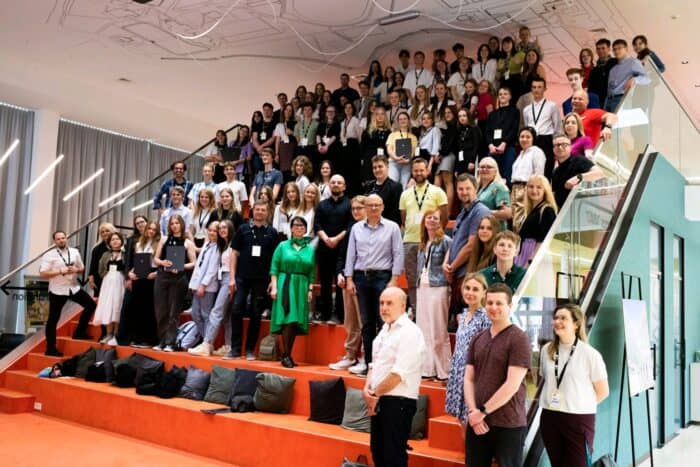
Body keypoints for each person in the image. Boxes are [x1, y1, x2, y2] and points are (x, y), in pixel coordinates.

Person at [463, 283, 532, 467]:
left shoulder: (519, 338)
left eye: (499, 303)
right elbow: (469, 378)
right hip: (477, 422)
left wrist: (482, 412)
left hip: (508, 424)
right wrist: (473, 412)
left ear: (510, 306)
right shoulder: (478, 338)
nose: (493, 307)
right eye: (490, 303)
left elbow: (512, 384)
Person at [540, 304, 609, 467]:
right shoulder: (546, 350)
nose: (557, 321)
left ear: (576, 324)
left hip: (578, 419)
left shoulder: (590, 354)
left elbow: (603, 391)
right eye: (556, 318)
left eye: (563, 318)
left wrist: (579, 405)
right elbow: (546, 380)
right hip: (550, 417)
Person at [363, 287, 425, 467]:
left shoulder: (410, 332)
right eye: (382, 303)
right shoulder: (385, 330)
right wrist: (368, 389)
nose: (384, 307)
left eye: (389, 303)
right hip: (380, 398)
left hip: (399, 402)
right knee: (378, 452)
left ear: (403, 305)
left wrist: (374, 394)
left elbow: (398, 374)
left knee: (393, 457)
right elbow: (374, 364)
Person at [344, 194, 404, 375]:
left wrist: (394, 280)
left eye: (377, 205)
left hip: (382, 278)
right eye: (370, 205)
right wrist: (349, 278)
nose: (373, 208)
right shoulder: (356, 228)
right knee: (366, 323)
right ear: (365, 208)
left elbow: (398, 254)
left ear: (383, 207)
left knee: (384, 321)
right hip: (361, 278)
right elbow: (351, 254)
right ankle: (369, 364)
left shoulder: (392, 227)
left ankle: (384, 365)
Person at [227, 201, 278, 359]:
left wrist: (272, 280)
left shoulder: (272, 232)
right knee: (236, 310)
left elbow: (275, 259)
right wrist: (231, 277)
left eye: (263, 210)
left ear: (267, 212)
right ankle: (235, 349)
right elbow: (234, 253)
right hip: (242, 277)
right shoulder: (242, 229)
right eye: (257, 209)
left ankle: (249, 349)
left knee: (256, 313)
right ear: (252, 211)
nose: (260, 212)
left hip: (262, 279)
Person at [399, 159, 448, 312]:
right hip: (410, 241)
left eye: (422, 170)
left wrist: (435, 235)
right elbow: (404, 218)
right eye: (416, 170)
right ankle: (415, 309)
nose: (419, 173)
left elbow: (444, 217)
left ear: (427, 171)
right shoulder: (405, 194)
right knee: (412, 279)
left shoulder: (438, 192)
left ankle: (431, 310)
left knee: (431, 278)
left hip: (430, 241)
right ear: (412, 172)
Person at [444, 274, 491, 432]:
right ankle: (467, 455)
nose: (470, 292)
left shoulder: (485, 316)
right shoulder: (463, 316)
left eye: (475, 289)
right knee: (460, 419)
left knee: (471, 419)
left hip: (473, 375)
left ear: (484, 292)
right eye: (467, 288)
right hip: (458, 372)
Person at [39, 230, 96, 356]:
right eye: (58, 239)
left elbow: (81, 268)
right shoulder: (49, 255)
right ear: (54, 241)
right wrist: (60, 270)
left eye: (63, 238)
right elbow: (43, 273)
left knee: (91, 305)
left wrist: (76, 269)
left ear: (67, 238)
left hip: (73, 287)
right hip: (57, 290)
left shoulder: (74, 252)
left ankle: (79, 332)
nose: (61, 240)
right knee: (53, 319)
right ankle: (50, 348)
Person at [269, 216, 316, 368]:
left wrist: (310, 289)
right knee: (288, 318)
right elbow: (274, 268)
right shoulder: (282, 246)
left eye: (302, 226)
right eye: (296, 225)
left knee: (295, 321)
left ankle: (287, 354)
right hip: (286, 283)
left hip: (301, 285)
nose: (299, 228)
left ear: (306, 229)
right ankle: (286, 355)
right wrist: (274, 286)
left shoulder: (310, 249)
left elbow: (311, 272)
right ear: (291, 228)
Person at [329, 195, 367, 371]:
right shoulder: (351, 228)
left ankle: (366, 357)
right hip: (348, 278)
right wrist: (339, 272)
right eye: (354, 209)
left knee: (364, 320)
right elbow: (342, 255)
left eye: (359, 208)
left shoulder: (371, 228)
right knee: (350, 320)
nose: (356, 211)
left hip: (364, 279)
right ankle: (350, 355)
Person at [444, 174, 490, 314]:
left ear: (475, 189)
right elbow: (454, 242)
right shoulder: (462, 212)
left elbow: (471, 246)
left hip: (468, 273)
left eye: (468, 188)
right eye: (460, 189)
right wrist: (446, 264)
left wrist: (452, 267)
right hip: (456, 272)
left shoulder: (480, 211)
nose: (464, 192)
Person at [188, 220, 235, 357]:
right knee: (226, 316)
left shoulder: (232, 245)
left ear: (230, 229)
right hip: (221, 279)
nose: (221, 230)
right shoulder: (221, 245)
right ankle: (227, 346)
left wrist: (232, 281)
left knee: (216, 312)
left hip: (228, 279)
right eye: (219, 228)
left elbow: (231, 266)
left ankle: (206, 344)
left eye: (224, 228)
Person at [416, 209, 452, 381]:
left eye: (435, 218)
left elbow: (449, 265)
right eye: (428, 217)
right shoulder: (423, 242)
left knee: (438, 331)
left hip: (438, 287)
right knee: (424, 330)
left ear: (440, 221)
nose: (431, 220)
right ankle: (428, 369)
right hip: (422, 287)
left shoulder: (446, 241)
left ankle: (444, 371)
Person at [152, 215, 197, 352]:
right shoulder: (164, 240)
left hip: (178, 278)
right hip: (162, 276)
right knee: (161, 311)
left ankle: (170, 342)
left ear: (182, 225)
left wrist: (182, 266)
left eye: (177, 223)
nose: (174, 225)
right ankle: (162, 341)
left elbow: (194, 263)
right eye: (172, 223)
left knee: (173, 312)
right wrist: (162, 262)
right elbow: (156, 258)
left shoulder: (187, 242)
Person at [314, 175, 352, 324]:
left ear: (344, 186)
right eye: (333, 182)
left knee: (340, 283)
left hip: (342, 248)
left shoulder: (349, 204)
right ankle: (325, 314)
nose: (336, 184)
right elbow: (317, 225)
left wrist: (336, 239)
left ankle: (339, 315)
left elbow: (349, 226)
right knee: (324, 283)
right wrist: (326, 239)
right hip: (325, 247)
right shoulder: (322, 205)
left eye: (339, 182)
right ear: (329, 185)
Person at [126, 220, 160, 348]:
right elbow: (135, 262)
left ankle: (149, 339)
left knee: (149, 309)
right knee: (137, 308)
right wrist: (130, 273)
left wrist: (156, 273)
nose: (151, 231)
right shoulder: (139, 243)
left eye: (153, 229)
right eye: (149, 229)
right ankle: (138, 338)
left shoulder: (159, 244)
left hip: (151, 276)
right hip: (138, 276)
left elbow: (162, 262)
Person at [521, 77, 562, 179]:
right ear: (531, 89)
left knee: (547, 171)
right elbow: (527, 128)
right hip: (532, 141)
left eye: (539, 87)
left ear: (544, 89)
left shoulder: (552, 106)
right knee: (531, 169)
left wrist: (556, 145)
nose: (536, 90)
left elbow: (557, 127)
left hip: (546, 140)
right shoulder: (527, 109)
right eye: (534, 87)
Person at [551, 134, 605, 208]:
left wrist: (579, 177)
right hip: (564, 211)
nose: (560, 147)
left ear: (570, 147)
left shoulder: (578, 160)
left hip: (582, 207)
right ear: (553, 149)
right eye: (557, 145)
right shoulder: (555, 172)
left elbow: (600, 173)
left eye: (564, 144)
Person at [187, 222, 221, 340]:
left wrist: (203, 285)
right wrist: (193, 284)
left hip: (208, 287)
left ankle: (207, 342)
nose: (211, 233)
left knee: (206, 314)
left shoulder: (218, 247)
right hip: (197, 285)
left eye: (214, 231)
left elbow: (212, 270)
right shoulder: (207, 244)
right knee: (195, 314)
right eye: (210, 230)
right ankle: (205, 339)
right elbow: (198, 267)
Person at [515, 175, 557, 267]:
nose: (534, 190)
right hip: (524, 252)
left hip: (533, 254)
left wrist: (531, 261)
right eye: (531, 186)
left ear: (545, 190)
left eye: (539, 187)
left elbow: (543, 240)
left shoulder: (547, 210)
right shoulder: (532, 210)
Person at [93, 232, 127, 346]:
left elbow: (128, 267)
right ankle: (108, 334)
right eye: (113, 240)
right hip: (108, 282)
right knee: (108, 307)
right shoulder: (105, 255)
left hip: (120, 281)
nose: (115, 241)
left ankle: (116, 335)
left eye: (117, 239)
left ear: (121, 241)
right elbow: (100, 269)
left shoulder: (125, 254)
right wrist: (106, 275)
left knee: (117, 306)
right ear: (109, 243)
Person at [511, 127, 546, 232]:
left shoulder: (537, 151)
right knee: (514, 220)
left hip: (526, 187)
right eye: (522, 137)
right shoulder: (521, 153)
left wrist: (532, 189)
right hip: (515, 188)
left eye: (528, 137)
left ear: (533, 139)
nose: (524, 139)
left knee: (522, 220)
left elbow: (538, 174)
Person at [485, 86, 520, 183]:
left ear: (510, 96)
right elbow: (487, 131)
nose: (502, 96)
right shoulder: (492, 114)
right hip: (493, 149)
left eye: (505, 94)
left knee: (506, 177)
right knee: (491, 178)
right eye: (500, 94)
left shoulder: (515, 112)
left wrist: (504, 143)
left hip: (508, 148)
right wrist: (490, 145)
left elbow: (514, 130)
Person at [605, 39, 650, 112]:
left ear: (626, 49)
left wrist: (635, 80)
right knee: (608, 123)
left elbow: (647, 78)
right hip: (609, 100)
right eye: (614, 49)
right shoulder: (613, 69)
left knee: (620, 123)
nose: (616, 51)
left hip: (622, 99)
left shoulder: (633, 62)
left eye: (619, 48)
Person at [364, 154, 402, 225]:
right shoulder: (369, 185)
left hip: (387, 226)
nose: (377, 170)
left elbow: (396, 214)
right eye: (374, 168)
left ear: (387, 167)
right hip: (370, 224)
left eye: (380, 167)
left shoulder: (396, 187)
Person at [476, 157, 512, 230]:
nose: (484, 169)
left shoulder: (499, 187)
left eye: (489, 167)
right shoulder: (478, 188)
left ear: (495, 171)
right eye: (482, 167)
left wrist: (485, 213)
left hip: (496, 232)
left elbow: (507, 213)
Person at [360, 106, 391, 187]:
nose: (380, 116)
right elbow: (362, 148)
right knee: (369, 184)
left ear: (385, 116)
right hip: (369, 161)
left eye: (382, 114)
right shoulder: (368, 131)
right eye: (377, 114)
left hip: (383, 160)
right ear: (374, 116)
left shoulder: (389, 132)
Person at [386, 111, 418, 187]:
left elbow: (413, 152)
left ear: (408, 120)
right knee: (392, 185)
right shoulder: (392, 135)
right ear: (398, 122)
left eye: (405, 119)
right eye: (400, 119)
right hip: (393, 163)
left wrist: (409, 159)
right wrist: (396, 158)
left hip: (407, 164)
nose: (403, 121)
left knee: (404, 186)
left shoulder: (413, 137)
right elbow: (389, 149)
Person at [435, 105, 457, 212]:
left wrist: (440, 153)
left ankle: (447, 213)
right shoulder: (446, 127)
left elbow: (450, 145)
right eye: (445, 113)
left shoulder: (455, 127)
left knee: (448, 183)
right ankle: (437, 211)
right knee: (437, 183)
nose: (447, 115)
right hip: (443, 155)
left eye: (449, 112)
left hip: (449, 155)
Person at [339, 101, 363, 196]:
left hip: (353, 147)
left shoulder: (356, 120)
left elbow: (359, 137)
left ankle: (353, 193)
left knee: (353, 171)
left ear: (353, 110)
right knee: (345, 171)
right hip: (344, 148)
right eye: (346, 108)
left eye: (350, 108)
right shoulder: (342, 122)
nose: (348, 110)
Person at [87, 222, 117, 298]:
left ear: (112, 231)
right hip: (100, 279)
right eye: (102, 232)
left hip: (116, 279)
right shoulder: (97, 248)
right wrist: (91, 279)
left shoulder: (121, 246)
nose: (105, 233)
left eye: (107, 231)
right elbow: (93, 265)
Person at [587, 39, 616, 107]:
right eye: (598, 49)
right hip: (600, 104)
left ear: (608, 49)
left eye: (603, 48)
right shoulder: (593, 71)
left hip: (614, 100)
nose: (600, 51)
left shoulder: (616, 63)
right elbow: (591, 90)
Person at [453, 108, 481, 176]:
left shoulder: (474, 128)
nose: (462, 118)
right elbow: (459, 149)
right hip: (461, 160)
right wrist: (457, 167)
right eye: (459, 116)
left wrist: (472, 161)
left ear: (468, 116)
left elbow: (476, 146)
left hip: (470, 158)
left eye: (464, 116)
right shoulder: (460, 130)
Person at [498, 36, 525, 101]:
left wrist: (522, 65)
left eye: (508, 43)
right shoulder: (501, 59)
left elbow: (528, 64)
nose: (506, 46)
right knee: (504, 102)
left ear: (512, 44)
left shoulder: (520, 54)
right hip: (504, 81)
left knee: (515, 101)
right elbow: (500, 72)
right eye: (504, 44)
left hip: (516, 80)